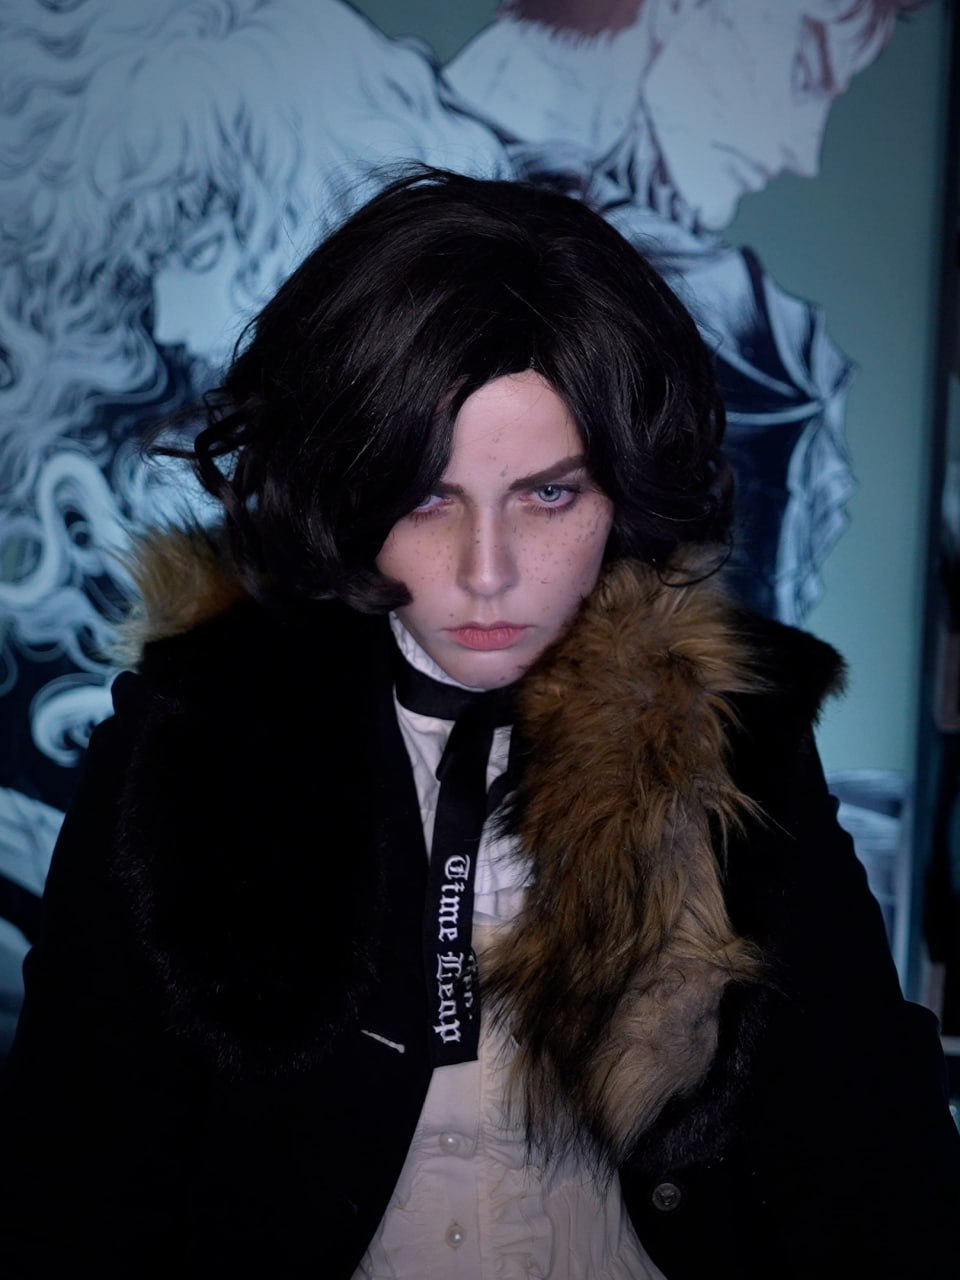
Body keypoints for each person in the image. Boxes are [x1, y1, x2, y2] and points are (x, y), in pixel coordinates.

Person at [1, 170, 957, 1279]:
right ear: (346, 484)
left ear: (624, 490)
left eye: (549, 494)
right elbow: (74, 1176)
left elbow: (872, 1153)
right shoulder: (198, 734)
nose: (486, 572)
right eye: (426, 495)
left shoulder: (727, 732)